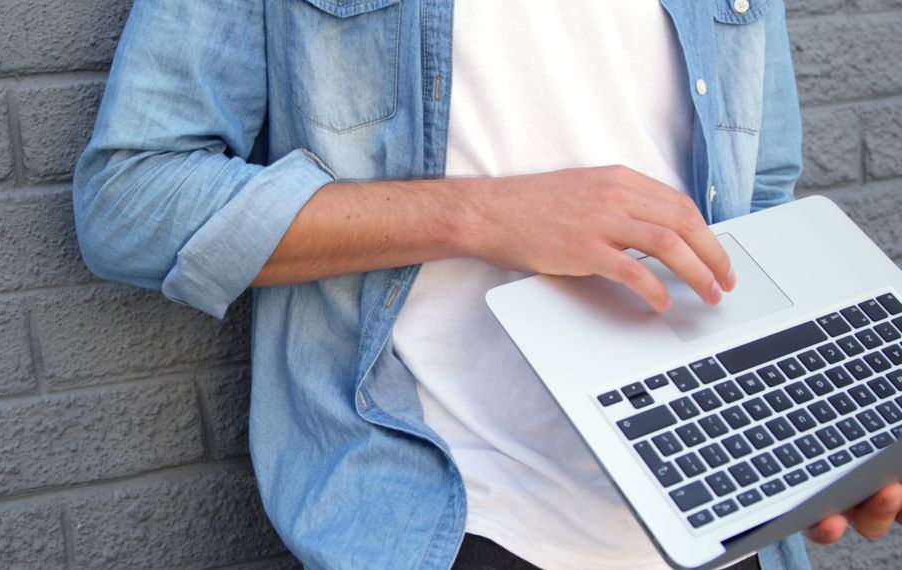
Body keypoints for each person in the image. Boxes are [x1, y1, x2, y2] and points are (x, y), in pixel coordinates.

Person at [73, 1, 902, 568]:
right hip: (459, 520)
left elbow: (759, 202)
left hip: (724, 513)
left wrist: (828, 432)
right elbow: (134, 200)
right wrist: (484, 215)